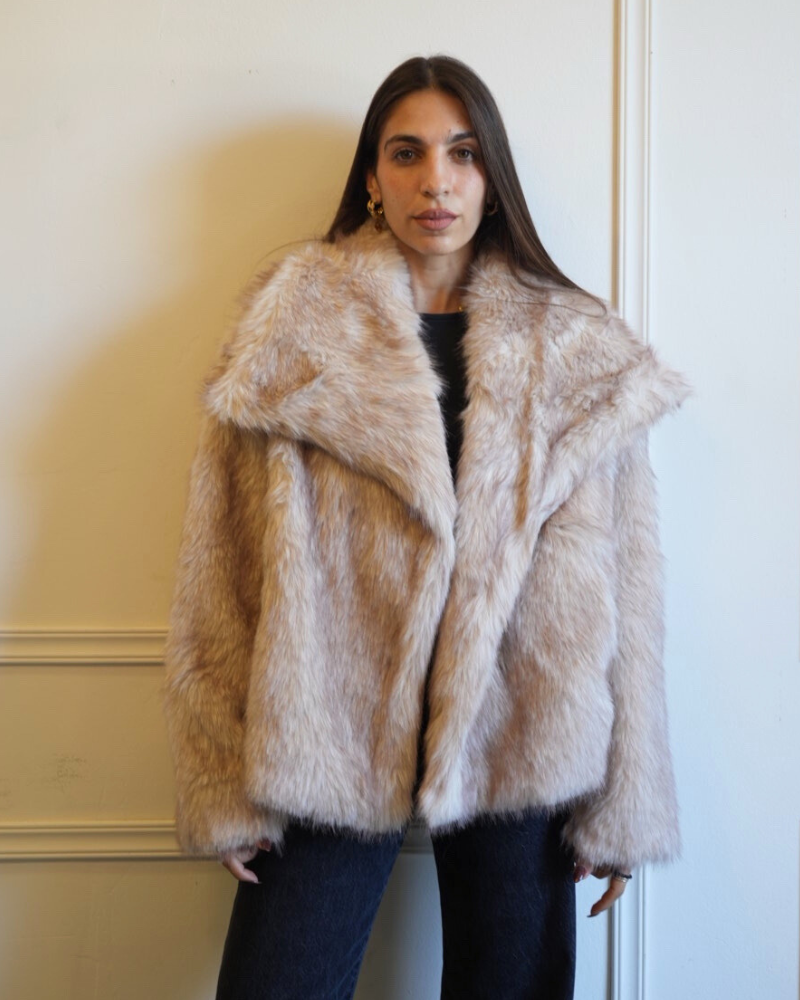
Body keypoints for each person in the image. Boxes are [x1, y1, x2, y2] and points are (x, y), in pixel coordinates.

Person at [162, 54, 692, 1000]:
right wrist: (220, 775)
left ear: (492, 177)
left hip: (522, 727)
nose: (435, 181)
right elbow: (224, 569)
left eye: (462, 153)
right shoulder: (294, 333)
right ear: (372, 177)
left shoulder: (576, 352)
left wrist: (624, 800)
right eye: (406, 154)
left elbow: (631, 589)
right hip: (326, 722)